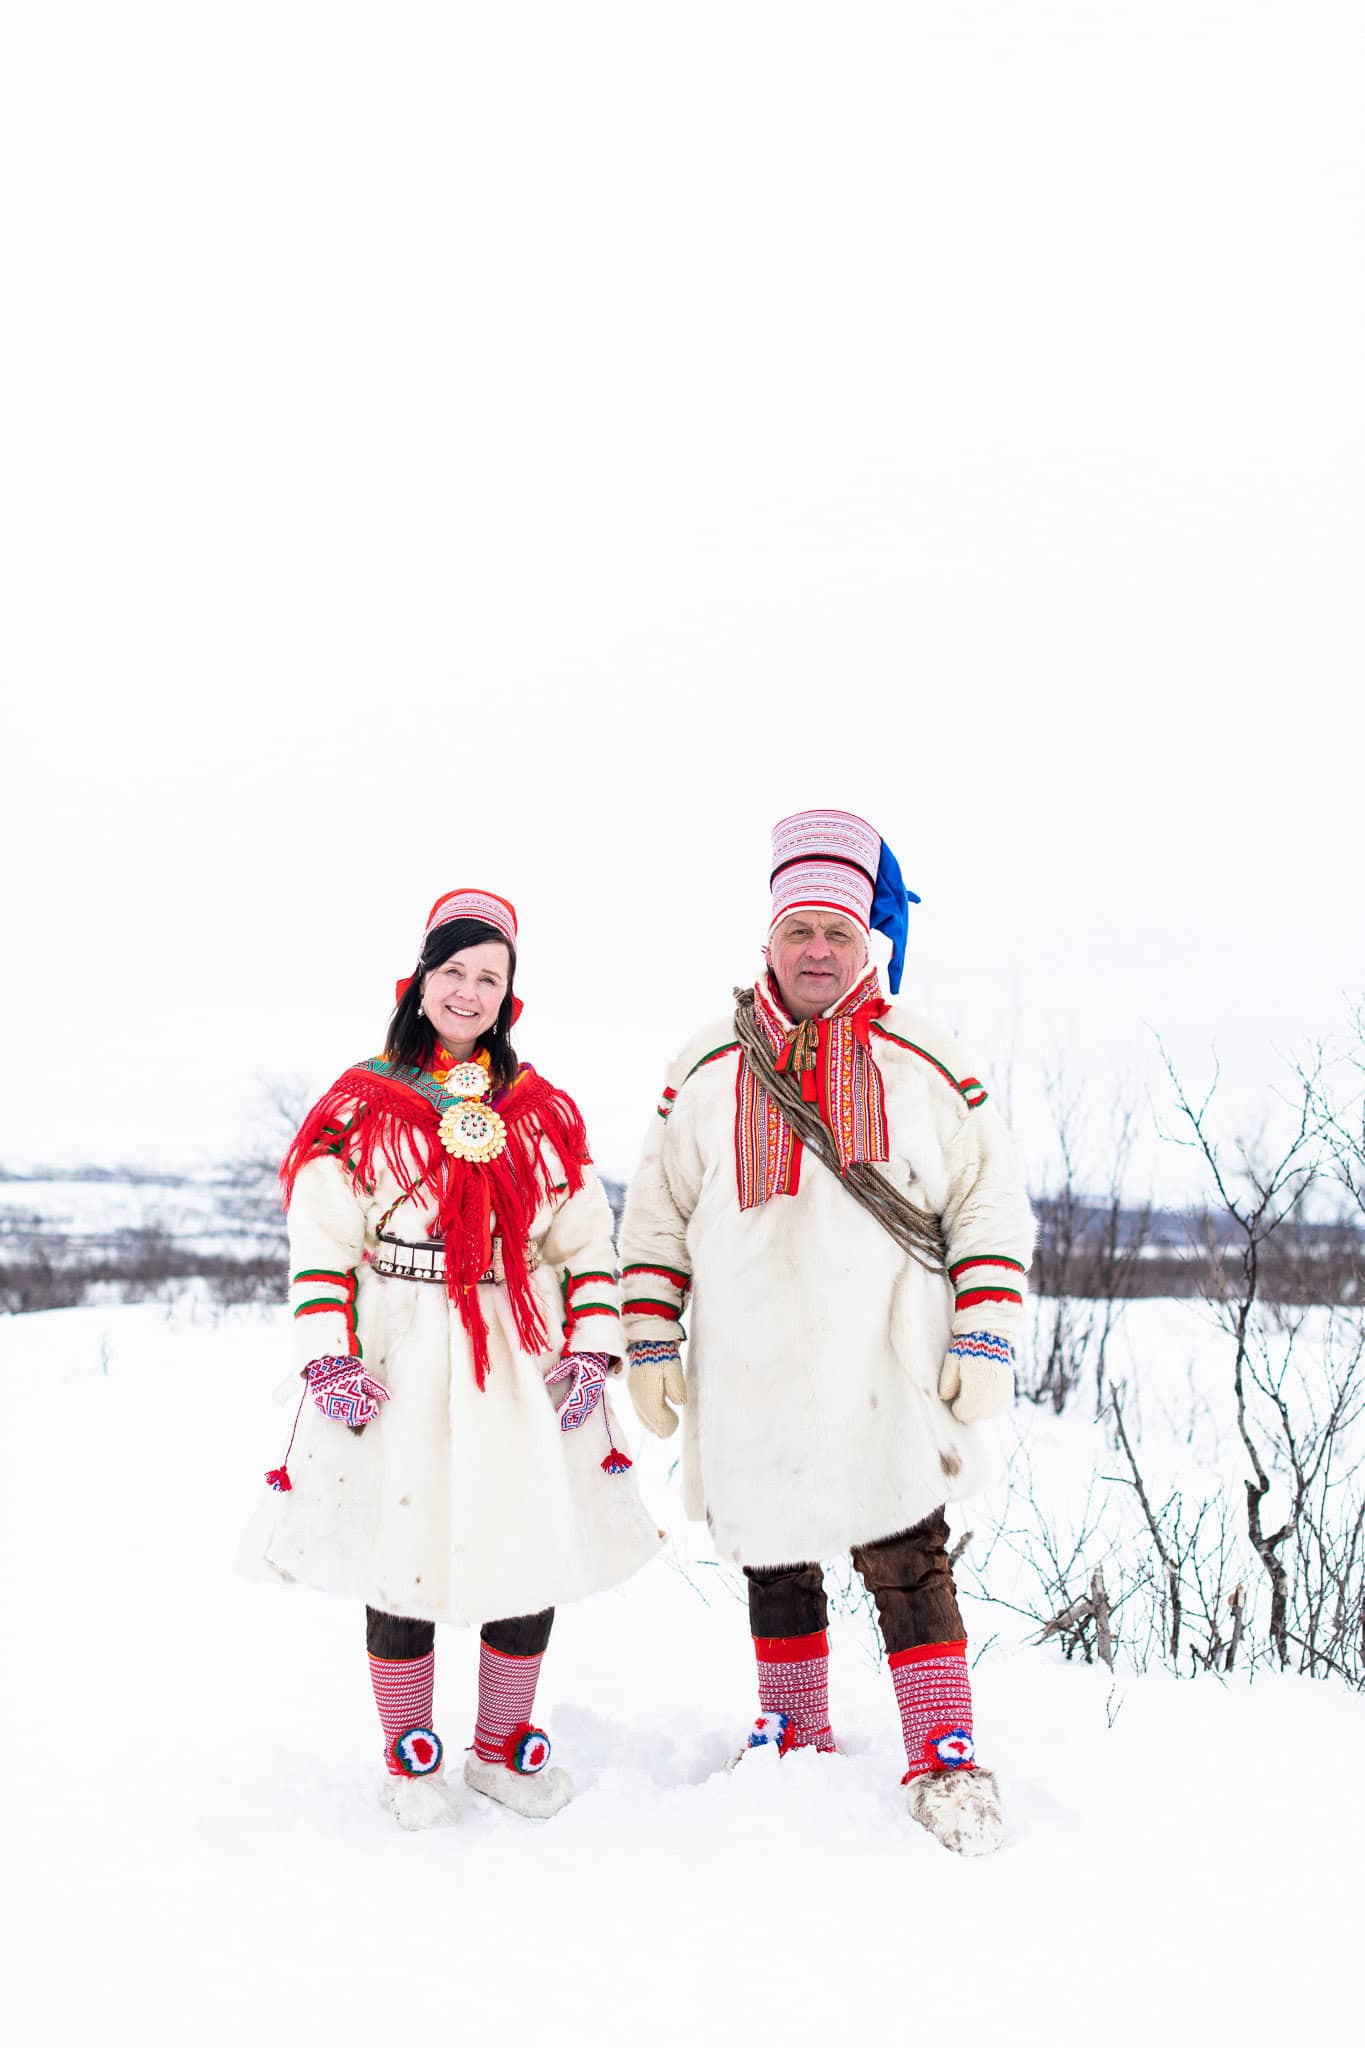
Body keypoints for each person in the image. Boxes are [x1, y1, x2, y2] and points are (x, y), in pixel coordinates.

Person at [619, 810, 1034, 1855]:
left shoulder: (922, 1058)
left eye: (837, 934)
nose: (817, 951)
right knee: (771, 1549)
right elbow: (657, 1209)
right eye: (799, 930)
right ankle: (793, 1733)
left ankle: (945, 1755)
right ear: (768, 939)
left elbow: (989, 1196)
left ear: (868, 942)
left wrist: (983, 1330)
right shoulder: (708, 1061)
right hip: (749, 1355)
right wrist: (653, 1334)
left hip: (880, 1357)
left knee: (908, 1552)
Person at [246, 887, 661, 1830]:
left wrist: (593, 1347)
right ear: (420, 980)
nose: (468, 992)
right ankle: (411, 1758)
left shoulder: (541, 1110)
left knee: (529, 1542)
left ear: (509, 996)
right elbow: (321, 1244)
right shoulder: (361, 1105)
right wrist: (329, 1355)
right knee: (404, 1544)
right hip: (402, 1339)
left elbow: (585, 1246)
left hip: (518, 1346)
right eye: (454, 972)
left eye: (490, 977)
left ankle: (499, 1752)